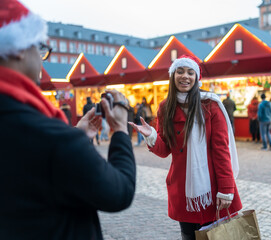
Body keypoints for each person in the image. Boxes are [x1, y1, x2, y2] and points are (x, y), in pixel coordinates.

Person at [0, 1, 136, 239]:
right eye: (40, 48)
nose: (42, 59)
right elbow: (119, 192)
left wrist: (75, 136)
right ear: (20, 49)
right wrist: (120, 130)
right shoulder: (51, 137)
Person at [129, 55, 242, 240]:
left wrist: (226, 189)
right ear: (173, 75)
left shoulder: (211, 104)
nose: (185, 76)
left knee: (218, 236)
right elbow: (165, 150)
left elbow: (221, 149)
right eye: (180, 71)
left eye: (190, 72)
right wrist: (150, 135)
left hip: (212, 188)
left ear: (196, 77)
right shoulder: (166, 107)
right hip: (183, 190)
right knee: (188, 236)